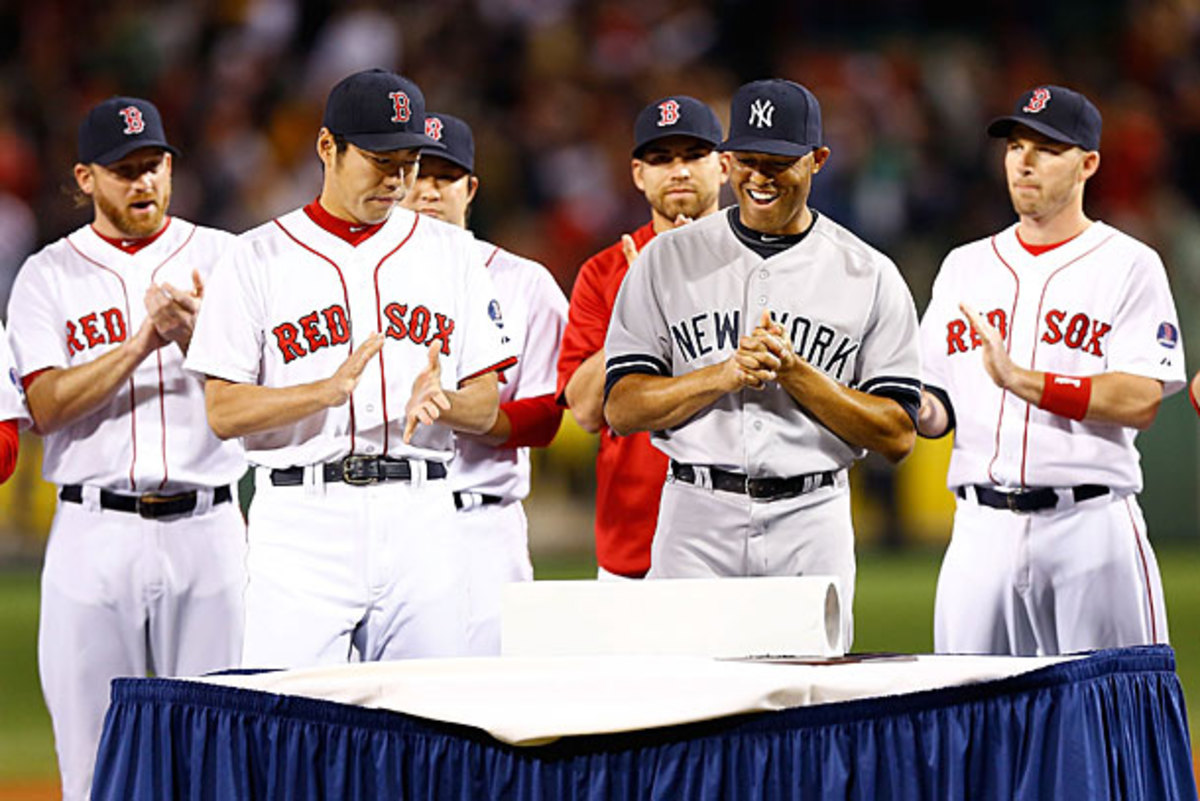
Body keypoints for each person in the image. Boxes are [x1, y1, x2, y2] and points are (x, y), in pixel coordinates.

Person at [185, 69, 515, 668]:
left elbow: (487, 402)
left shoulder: (453, 254)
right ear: (327, 147)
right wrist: (321, 392)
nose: (398, 179)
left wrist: (445, 403)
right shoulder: (256, 256)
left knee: (430, 713)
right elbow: (223, 411)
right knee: (291, 712)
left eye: (409, 162)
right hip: (302, 520)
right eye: (380, 160)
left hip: (422, 515)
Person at [604, 79, 922, 643]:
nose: (760, 177)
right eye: (748, 160)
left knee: (808, 688)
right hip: (696, 516)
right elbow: (622, 409)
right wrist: (722, 375)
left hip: (812, 517)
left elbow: (897, 435)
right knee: (684, 683)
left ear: (817, 160)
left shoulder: (868, 273)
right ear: (727, 162)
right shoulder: (666, 260)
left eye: (778, 163)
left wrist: (796, 373)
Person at [6, 97, 246, 801]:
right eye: (124, 170)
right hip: (94, 532)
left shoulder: (226, 257)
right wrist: (143, 341)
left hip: (209, 527)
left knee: (216, 758)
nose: (143, 182)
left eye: (153, 165)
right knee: (91, 764)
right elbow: (45, 405)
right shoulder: (48, 275)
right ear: (86, 178)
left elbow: (261, 388)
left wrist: (199, 336)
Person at [917, 85, 1185, 656]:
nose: (1025, 162)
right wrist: (901, 401)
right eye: (1016, 146)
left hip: (1089, 526)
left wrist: (1024, 381)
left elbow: (1139, 398)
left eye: (1047, 148)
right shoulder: (964, 266)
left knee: (1112, 704)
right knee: (969, 705)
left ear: (1088, 164)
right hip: (979, 529)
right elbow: (936, 403)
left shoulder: (1129, 264)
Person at [401, 111, 568, 655]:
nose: (429, 191)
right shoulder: (362, 280)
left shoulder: (524, 283)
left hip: (480, 520)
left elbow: (546, 416)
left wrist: (465, 410)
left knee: (490, 689)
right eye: (417, 174)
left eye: (445, 177)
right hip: (389, 515)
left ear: (470, 189)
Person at [556, 95, 728, 579]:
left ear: (724, 167)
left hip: (737, 535)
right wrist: (636, 308)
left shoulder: (756, 263)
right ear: (638, 174)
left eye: (694, 155)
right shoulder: (605, 272)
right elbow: (586, 410)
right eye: (661, 159)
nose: (679, 170)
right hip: (635, 541)